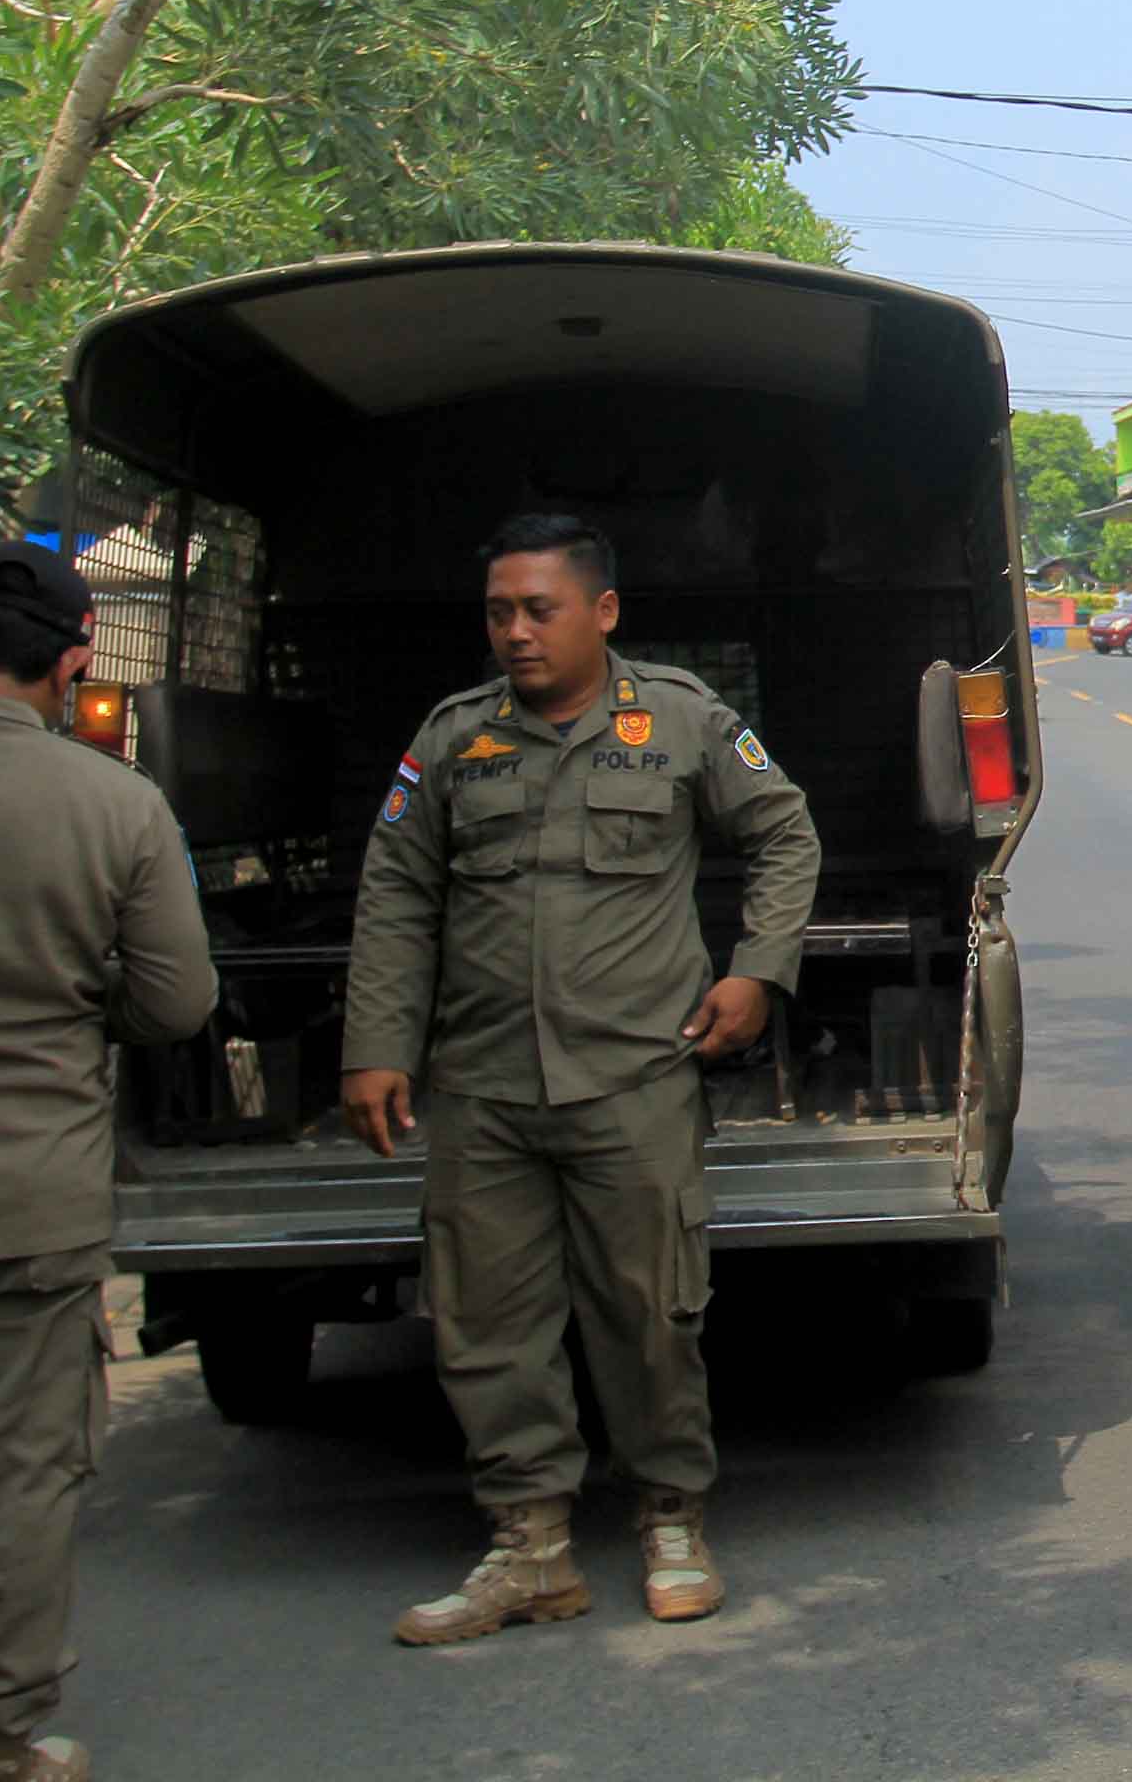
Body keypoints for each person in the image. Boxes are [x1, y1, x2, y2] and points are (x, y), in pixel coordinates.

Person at [343, 515, 819, 1647]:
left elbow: (784, 833)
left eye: (538, 609)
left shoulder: (682, 719)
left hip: (633, 1078)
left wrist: (758, 972)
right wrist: (378, 1043)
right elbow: (396, 891)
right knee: (486, 1324)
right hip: (484, 1087)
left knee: (650, 1312)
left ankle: (669, 1520)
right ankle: (530, 1550)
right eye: (500, 612)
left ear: (601, 611)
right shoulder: (455, 738)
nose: (515, 632)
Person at [0, 540, 217, 1781]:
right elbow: (179, 1002)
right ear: (77, 657)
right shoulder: (118, 806)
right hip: (27, 1199)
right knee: (11, 1475)